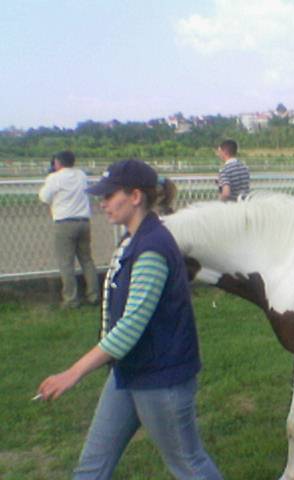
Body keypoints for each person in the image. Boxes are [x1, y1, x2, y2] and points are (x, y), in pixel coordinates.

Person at [36, 159, 223, 480]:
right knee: (92, 467)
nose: (102, 203)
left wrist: (73, 373)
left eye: (109, 195)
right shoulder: (133, 240)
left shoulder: (152, 248)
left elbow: (130, 328)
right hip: (128, 373)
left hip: (161, 381)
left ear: (135, 197)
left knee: (189, 465)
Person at [38, 150, 99, 308]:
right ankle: (94, 295)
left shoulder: (55, 178)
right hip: (83, 221)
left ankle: (71, 299)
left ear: (58, 162)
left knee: (66, 263)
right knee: (86, 259)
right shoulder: (81, 175)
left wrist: (50, 178)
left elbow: (44, 197)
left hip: (64, 222)